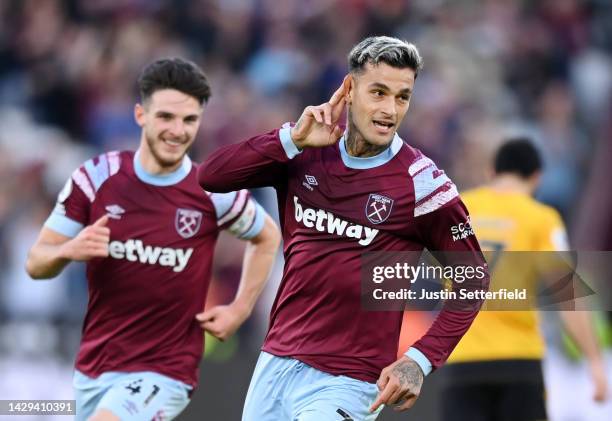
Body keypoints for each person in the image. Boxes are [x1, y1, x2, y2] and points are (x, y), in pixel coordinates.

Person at [198, 36, 490, 420]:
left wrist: (419, 360)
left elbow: (473, 278)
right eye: (379, 92)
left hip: (350, 378)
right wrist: (290, 139)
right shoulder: (306, 151)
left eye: (402, 97)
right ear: (349, 90)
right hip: (275, 361)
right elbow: (211, 175)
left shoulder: (422, 183)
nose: (390, 109)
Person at [25, 58, 281, 421]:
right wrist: (69, 250)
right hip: (94, 369)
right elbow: (36, 262)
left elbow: (267, 237)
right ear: (140, 114)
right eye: (166, 117)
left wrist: (240, 308)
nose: (177, 131)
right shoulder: (96, 178)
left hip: (166, 372)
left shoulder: (211, 190)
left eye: (189, 120)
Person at [441, 138, 608, 421]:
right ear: (537, 178)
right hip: (519, 361)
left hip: (461, 360)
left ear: (491, 173)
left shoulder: (457, 210)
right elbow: (567, 293)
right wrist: (594, 360)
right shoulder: (541, 218)